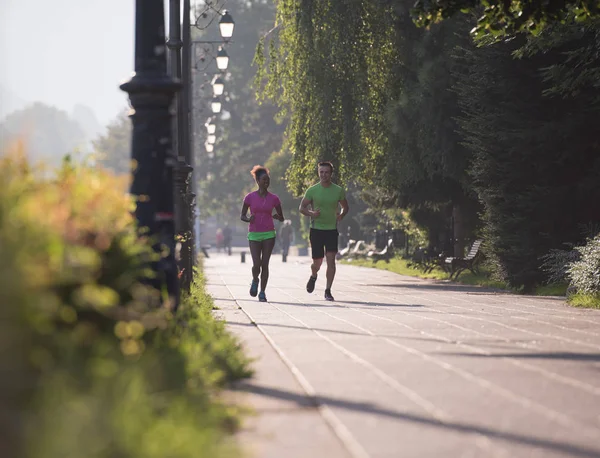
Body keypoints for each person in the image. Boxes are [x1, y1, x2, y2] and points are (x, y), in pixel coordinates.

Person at [299, 161, 349, 301]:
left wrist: (341, 215)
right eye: (321, 172)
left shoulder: (338, 190)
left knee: (331, 261)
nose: (324, 175)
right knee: (317, 263)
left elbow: (346, 207)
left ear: (331, 174)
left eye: (326, 172)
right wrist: (311, 213)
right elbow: (301, 208)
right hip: (316, 230)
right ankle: (314, 276)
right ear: (318, 172)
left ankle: (328, 290)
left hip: (331, 230)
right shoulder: (312, 190)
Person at [240, 165, 285, 302]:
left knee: (265, 263)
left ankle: (263, 292)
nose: (267, 182)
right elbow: (242, 216)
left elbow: (282, 217)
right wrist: (248, 219)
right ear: (258, 181)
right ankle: (255, 279)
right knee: (256, 263)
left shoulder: (274, 199)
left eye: (268, 179)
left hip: (269, 233)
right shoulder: (249, 197)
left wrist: (278, 217)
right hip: (254, 234)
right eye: (264, 179)